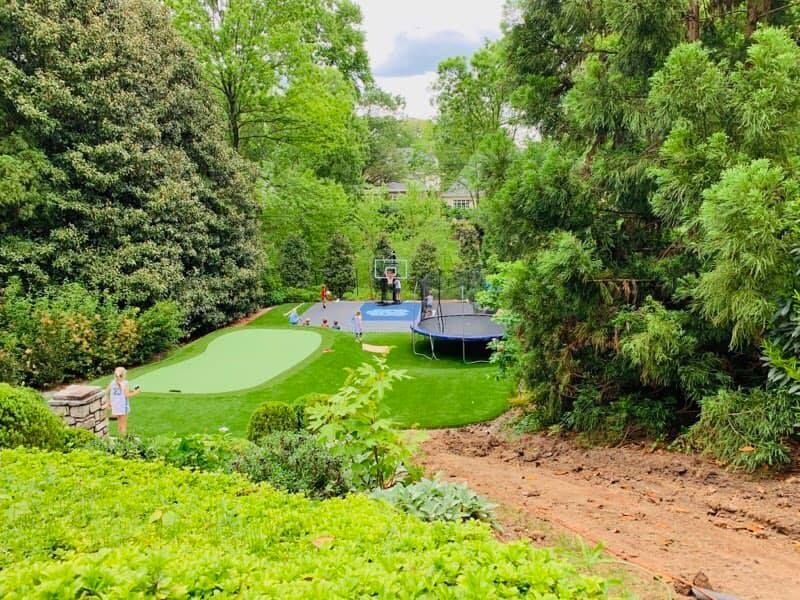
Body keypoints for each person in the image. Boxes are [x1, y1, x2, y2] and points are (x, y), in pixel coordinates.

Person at [102, 366, 140, 436]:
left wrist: (108, 402)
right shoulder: (125, 383)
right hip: (123, 407)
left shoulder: (112, 382)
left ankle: (120, 437)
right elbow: (127, 395)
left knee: (119, 424)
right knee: (123, 425)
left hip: (115, 406)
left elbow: (106, 392)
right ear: (123, 375)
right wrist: (136, 392)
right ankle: (123, 441)